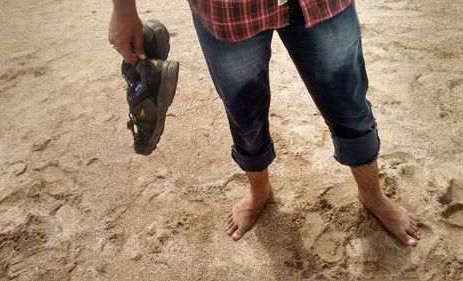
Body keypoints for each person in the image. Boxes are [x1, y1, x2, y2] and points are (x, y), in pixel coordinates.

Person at [108, 0, 421, 246]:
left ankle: (372, 195)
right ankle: (259, 193)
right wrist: (124, 9)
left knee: (350, 104)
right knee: (244, 114)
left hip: (322, 4)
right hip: (228, 11)